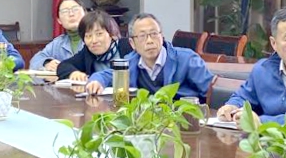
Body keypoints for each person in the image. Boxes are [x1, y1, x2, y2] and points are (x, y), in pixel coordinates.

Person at [84, 13, 214, 99]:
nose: (149, 41)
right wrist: (96, 82)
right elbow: (105, 75)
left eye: (154, 34)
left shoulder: (187, 60)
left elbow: (212, 93)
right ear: (132, 43)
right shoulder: (130, 61)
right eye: (142, 36)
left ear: (162, 36)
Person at [56, 9, 133, 85]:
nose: (94, 40)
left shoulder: (128, 46)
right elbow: (63, 65)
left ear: (112, 34)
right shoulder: (87, 53)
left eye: (99, 34)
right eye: (88, 36)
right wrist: (74, 73)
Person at [29, 0, 85, 71]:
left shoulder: (94, 39)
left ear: (85, 13)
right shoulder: (58, 43)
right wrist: (47, 63)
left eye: (75, 9)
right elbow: (34, 62)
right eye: (65, 11)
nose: (71, 14)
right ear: (59, 20)